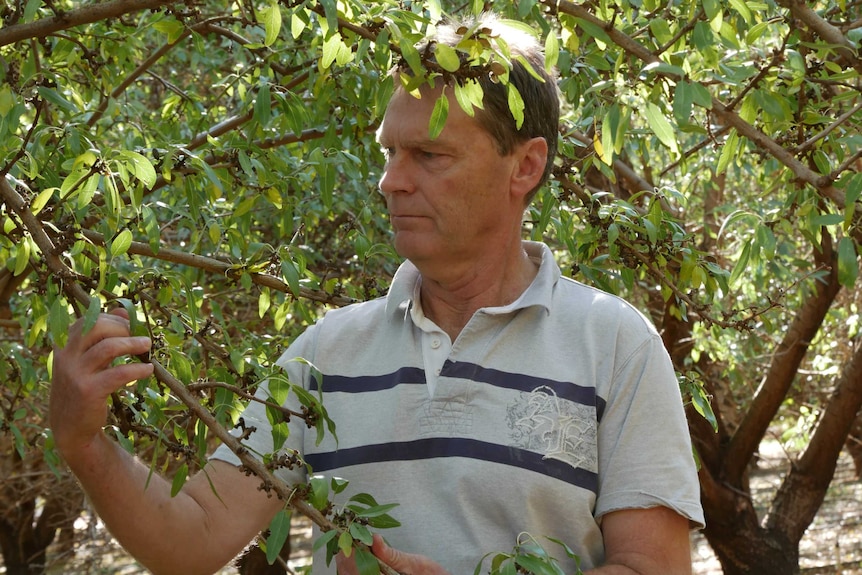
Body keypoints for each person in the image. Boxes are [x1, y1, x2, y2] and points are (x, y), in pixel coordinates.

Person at [50, 14, 704, 575]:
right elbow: (188, 538)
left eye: (428, 154)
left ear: (525, 166)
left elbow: (655, 566)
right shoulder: (326, 355)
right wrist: (85, 442)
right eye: (389, 152)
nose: (390, 181)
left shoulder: (615, 345)